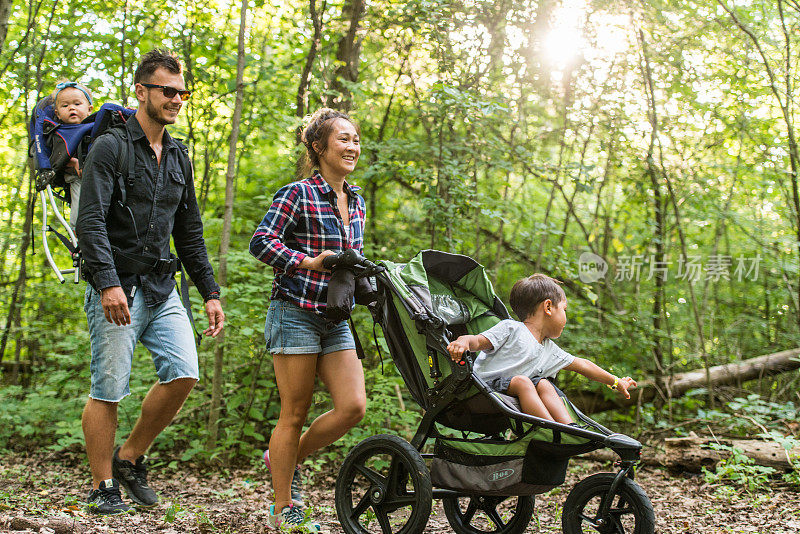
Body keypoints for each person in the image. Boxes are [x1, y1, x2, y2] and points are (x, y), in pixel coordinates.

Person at [76, 49, 225, 515]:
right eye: (168, 90)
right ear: (141, 91)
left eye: (182, 92)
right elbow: (91, 222)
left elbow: (191, 232)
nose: (177, 99)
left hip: (163, 287)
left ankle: (129, 457)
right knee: (109, 386)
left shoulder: (180, 155)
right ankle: (103, 485)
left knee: (184, 373)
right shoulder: (111, 147)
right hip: (117, 285)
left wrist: (211, 292)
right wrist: (107, 283)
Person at [249, 108, 366, 532]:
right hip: (294, 311)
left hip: (335, 318)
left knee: (353, 406)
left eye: (355, 139)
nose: (352, 146)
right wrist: (307, 262)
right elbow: (260, 243)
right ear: (319, 147)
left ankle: (284, 457)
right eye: (343, 139)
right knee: (293, 412)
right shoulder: (296, 194)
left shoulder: (358, 200)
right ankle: (285, 506)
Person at [447, 274, 636, 424]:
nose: (566, 316)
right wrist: (463, 341)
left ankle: (570, 429)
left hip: (508, 398)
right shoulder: (511, 328)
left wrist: (615, 382)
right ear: (548, 307)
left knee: (544, 384)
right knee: (523, 382)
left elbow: (583, 365)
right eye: (564, 309)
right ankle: (548, 429)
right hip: (480, 392)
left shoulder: (549, 349)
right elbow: (478, 341)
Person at [52, 80, 94, 227]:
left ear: (89, 109)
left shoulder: (96, 126)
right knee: (80, 215)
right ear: (57, 113)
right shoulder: (58, 134)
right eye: (65, 105)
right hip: (77, 178)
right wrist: (73, 162)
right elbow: (55, 157)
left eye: (77, 104)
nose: (71, 108)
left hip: (101, 176)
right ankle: (78, 236)